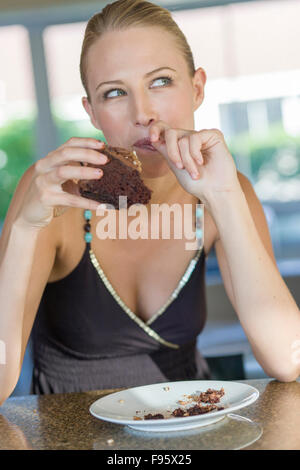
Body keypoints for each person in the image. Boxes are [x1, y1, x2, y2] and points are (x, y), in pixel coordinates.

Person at [0, 0, 299, 402]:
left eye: (160, 82)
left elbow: (288, 359)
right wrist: (23, 228)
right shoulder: (56, 195)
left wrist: (225, 197)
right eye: (115, 92)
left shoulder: (226, 189)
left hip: (190, 428)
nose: (142, 113)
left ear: (196, 89)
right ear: (92, 112)